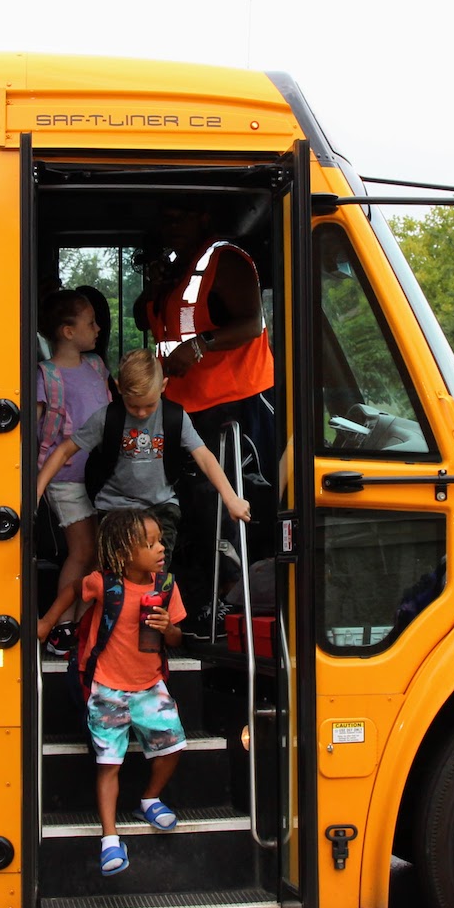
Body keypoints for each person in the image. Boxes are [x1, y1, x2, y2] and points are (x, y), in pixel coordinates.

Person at [35, 349, 249, 647]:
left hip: (160, 506)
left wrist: (231, 498)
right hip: (116, 507)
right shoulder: (108, 417)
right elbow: (64, 450)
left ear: (163, 388)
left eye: (148, 405)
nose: (140, 413)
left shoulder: (174, 416)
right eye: (133, 406)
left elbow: (205, 457)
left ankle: (147, 642)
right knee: (110, 576)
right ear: (119, 389)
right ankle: (104, 639)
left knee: (154, 571)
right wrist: (37, 488)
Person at [135, 202, 275, 626]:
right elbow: (146, 318)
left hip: (234, 406)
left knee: (224, 510)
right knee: (192, 512)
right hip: (183, 406)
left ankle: (231, 605)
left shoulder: (225, 259)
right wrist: (152, 287)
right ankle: (198, 604)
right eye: (166, 218)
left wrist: (200, 346)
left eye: (179, 215)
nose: (170, 223)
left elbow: (251, 322)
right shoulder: (178, 268)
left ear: (205, 216)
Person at [37, 508, 188, 876]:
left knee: (173, 746)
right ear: (123, 553)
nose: (160, 548)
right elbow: (75, 589)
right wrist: (46, 622)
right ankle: (109, 838)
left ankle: (150, 799)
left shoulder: (165, 587)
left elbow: (178, 640)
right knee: (108, 764)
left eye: (160, 540)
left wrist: (168, 627)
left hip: (150, 686)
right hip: (107, 688)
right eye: (149, 543)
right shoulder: (106, 584)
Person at [34, 290, 112, 654]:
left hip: (99, 475)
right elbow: (33, 431)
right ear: (67, 332)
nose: (98, 329)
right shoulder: (46, 376)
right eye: (90, 322)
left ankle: (81, 623)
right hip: (64, 476)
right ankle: (61, 627)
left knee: (99, 552)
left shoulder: (96, 366)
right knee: (80, 551)